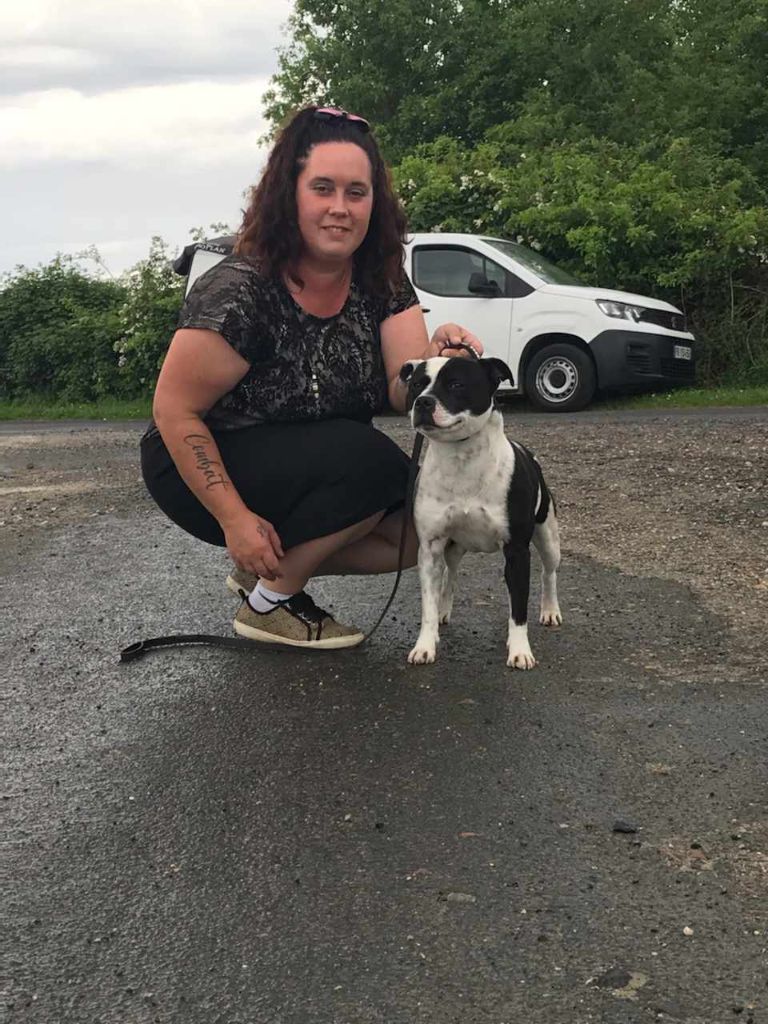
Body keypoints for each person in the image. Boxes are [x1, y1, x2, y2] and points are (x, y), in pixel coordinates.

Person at [140, 105, 482, 650]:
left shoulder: (382, 278)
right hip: (201, 461)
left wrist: (436, 361)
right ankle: (270, 604)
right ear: (289, 194)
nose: (340, 208)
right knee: (373, 463)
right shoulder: (242, 288)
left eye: (356, 192)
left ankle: (266, 575)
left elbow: (403, 390)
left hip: (316, 462)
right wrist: (235, 520)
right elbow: (174, 411)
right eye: (322, 188)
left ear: (374, 202)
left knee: (424, 524)